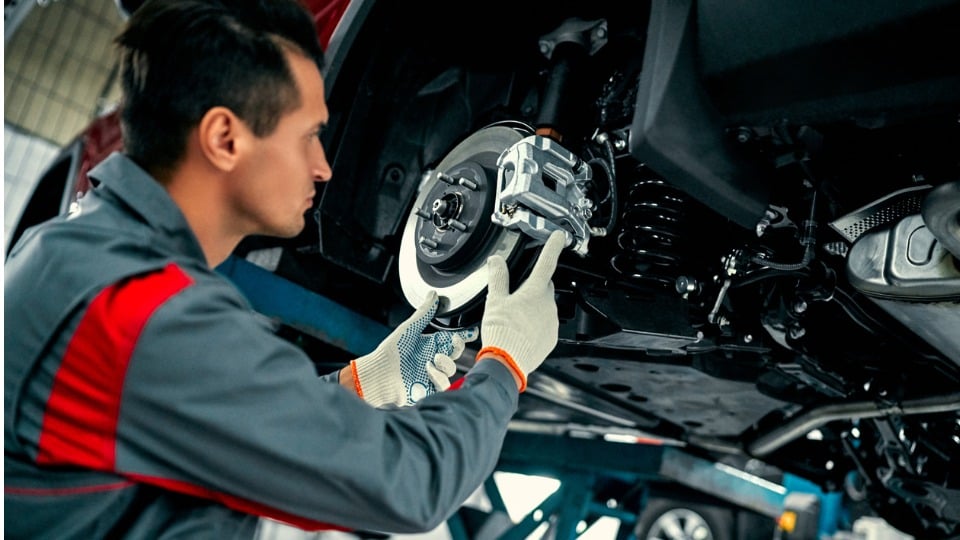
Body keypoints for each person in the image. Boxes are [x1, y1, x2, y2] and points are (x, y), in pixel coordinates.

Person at [2, 0, 568, 538]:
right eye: (308, 137)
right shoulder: (137, 309)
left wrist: (363, 382)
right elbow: (408, 484)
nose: (324, 166)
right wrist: (504, 365)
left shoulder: (79, 257)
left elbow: (221, 429)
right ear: (225, 139)